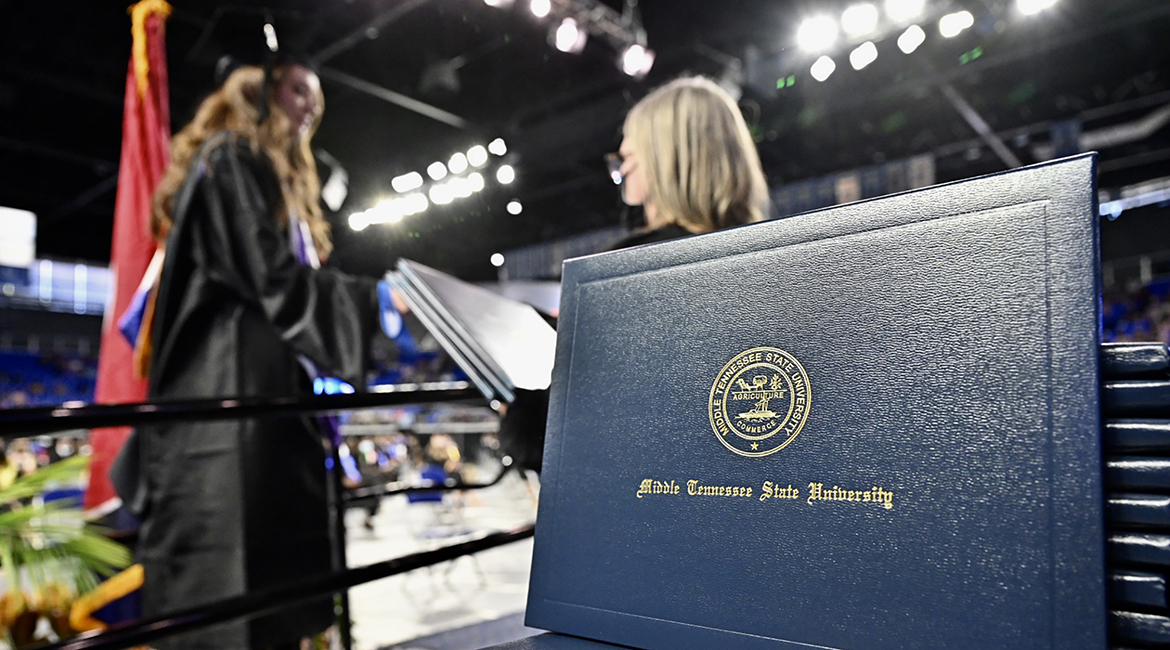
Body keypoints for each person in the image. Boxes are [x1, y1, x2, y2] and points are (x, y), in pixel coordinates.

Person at [125, 60, 399, 650]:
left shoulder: (261, 176)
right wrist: (376, 301)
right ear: (258, 87)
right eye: (299, 91)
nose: (309, 110)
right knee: (234, 611)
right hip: (227, 424)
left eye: (317, 102)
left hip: (265, 413)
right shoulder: (228, 158)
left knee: (279, 607)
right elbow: (274, 281)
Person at [608, 76, 771, 249]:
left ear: (663, 162)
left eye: (626, 157)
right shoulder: (767, 251)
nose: (623, 170)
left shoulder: (624, 261)